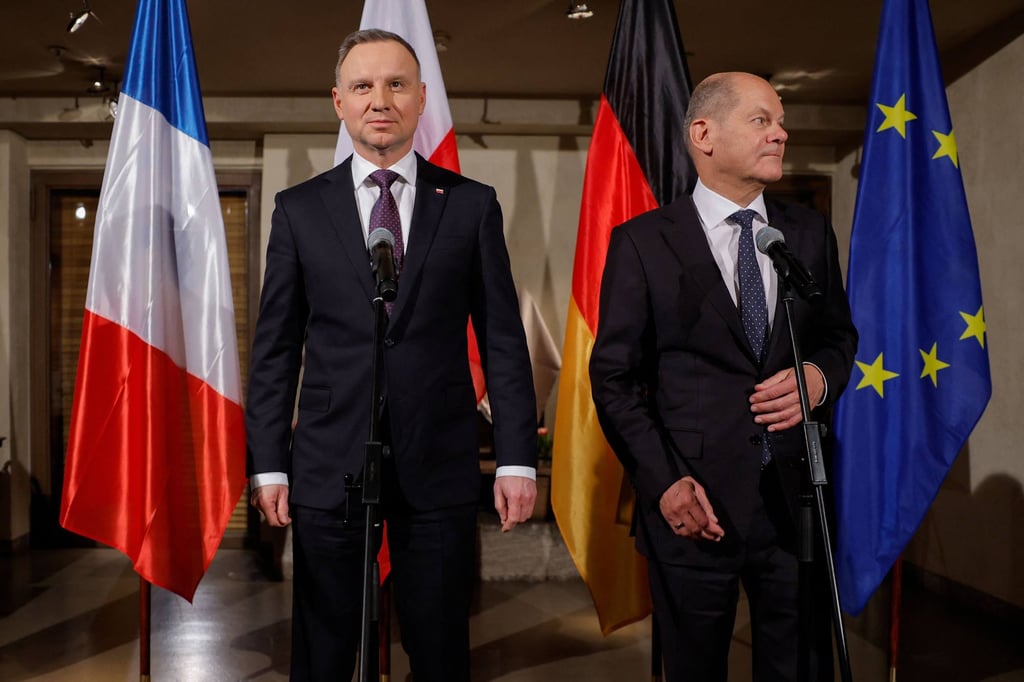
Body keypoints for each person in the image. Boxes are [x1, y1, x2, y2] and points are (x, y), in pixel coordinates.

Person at [245, 29, 538, 682]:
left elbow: (502, 341)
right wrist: (269, 465)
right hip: (328, 464)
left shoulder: (469, 206)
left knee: (438, 651)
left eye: (397, 84)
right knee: (322, 653)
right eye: (363, 86)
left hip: (439, 462)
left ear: (422, 98)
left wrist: (517, 456)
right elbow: (274, 349)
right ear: (339, 102)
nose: (381, 99)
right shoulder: (298, 210)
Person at [589, 72, 858, 681]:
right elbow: (614, 380)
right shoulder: (642, 243)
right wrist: (664, 483)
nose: (781, 133)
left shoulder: (808, 233)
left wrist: (818, 377)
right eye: (762, 120)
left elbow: (839, 337)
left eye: (780, 120)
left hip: (796, 505)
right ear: (703, 134)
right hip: (694, 508)